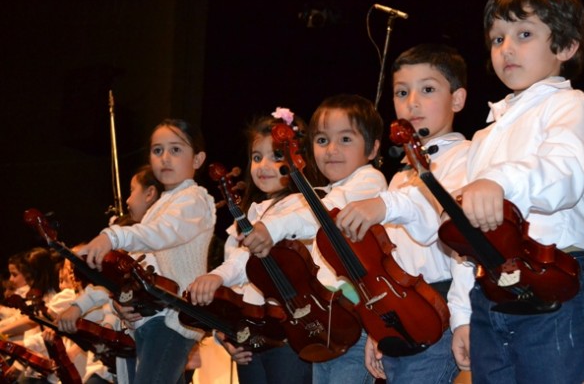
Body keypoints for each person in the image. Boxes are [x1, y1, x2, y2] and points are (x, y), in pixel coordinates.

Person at [454, 0, 584, 384]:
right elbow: (466, 224)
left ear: (565, 46)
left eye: (523, 33)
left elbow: (563, 177)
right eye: (497, 38)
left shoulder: (571, 106)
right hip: (490, 288)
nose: (506, 48)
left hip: (555, 282)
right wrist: (462, 316)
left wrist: (498, 183)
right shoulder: (487, 133)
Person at [335, 43, 474, 383]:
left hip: (440, 310)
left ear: (456, 99)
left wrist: (463, 320)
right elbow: (390, 265)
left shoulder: (468, 157)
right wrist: (378, 329)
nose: (412, 102)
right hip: (400, 313)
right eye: (401, 92)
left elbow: (455, 241)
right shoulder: (399, 177)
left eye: (427, 89)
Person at [241, 94, 387, 384]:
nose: (331, 150)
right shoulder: (326, 191)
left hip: (357, 320)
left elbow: (322, 216)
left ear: (372, 149)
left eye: (345, 139)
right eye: (322, 141)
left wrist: (271, 228)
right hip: (331, 322)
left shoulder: (369, 181)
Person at [79, 118, 216, 384]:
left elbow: (159, 234)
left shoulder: (194, 199)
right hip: (153, 318)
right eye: (157, 150)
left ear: (198, 159)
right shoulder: (162, 204)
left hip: (172, 321)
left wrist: (113, 235)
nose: (165, 158)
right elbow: (144, 265)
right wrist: (123, 303)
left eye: (176, 150)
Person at [188, 109, 314, 384]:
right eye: (257, 157)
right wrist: (228, 335)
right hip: (252, 336)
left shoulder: (303, 205)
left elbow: (249, 263)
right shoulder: (252, 213)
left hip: (288, 334)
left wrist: (219, 275)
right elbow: (238, 278)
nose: (263, 166)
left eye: (276, 156)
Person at [57, 164, 165, 384]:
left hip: (159, 340)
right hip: (134, 344)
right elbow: (108, 288)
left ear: (150, 193)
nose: (127, 200)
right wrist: (81, 307)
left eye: (132, 190)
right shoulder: (137, 245)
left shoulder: (162, 241)